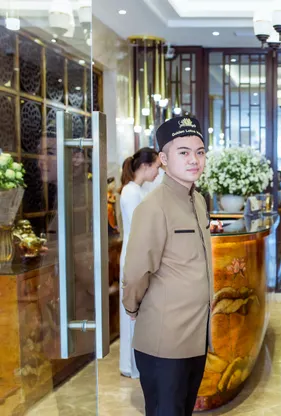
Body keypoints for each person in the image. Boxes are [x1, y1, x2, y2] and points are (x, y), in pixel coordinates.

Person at [122, 117, 213, 416]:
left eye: (199, 152)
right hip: (166, 342)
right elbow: (136, 271)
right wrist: (132, 307)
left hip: (195, 336)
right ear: (163, 159)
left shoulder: (197, 201)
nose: (194, 160)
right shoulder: (153, 207)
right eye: (183, 152)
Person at [118, 147, 160, 379]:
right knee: (132, 311)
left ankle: (133, 363)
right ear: (145, 166)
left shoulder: (136, 190)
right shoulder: (131, 192)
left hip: (137, 254)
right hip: (134, 256)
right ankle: (130, 364)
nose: (157, 173)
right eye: (156, 167)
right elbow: (140, 229)